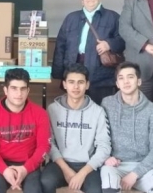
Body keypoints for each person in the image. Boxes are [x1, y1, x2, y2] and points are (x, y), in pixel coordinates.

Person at [41, 63, 112, 193]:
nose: (76, 87)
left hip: (88, 164)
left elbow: (104, 146)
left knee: (95, 190)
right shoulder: (52, 109)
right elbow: (49, 143)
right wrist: (66, 170)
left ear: (87, 85)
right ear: (64, 84)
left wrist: (82, 173)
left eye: (80, 82)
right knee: (46, 181)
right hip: (59, 162)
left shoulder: (98, 111)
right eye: (71, 82)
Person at [52, 0, 126, 104]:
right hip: (74, 70)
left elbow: (124, 40)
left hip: (101, 75)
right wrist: (58, 73)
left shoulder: (113, 17)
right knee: (75, 107)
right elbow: (60, 46)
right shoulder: (71, 18)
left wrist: (109, 44)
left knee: (100, 108)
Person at [100, 62, 153, 193]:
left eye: (130, 77)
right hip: (115, 165)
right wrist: (106, 158)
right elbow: (99, 137)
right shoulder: (107, 104)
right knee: (109, 184)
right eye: (121, 78)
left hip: (143, 166)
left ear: (139, 81)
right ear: (117, 84)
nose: (126, 82)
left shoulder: (152, 110)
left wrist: (135, 174)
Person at [0, 68, 51, 193]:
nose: (19, 93)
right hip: (1, 163)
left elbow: (44, 146)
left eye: (23, 89)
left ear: (28, 90)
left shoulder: (40, 114)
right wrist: (4, 170)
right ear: (5, 90)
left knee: (34, 190)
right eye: (14, 88)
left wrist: (25, 169)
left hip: (29, 162)